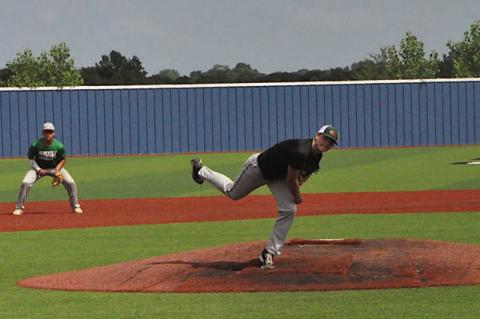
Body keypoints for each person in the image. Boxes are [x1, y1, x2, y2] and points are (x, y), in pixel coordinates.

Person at [190, 124, 339, 269]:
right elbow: (292, 180)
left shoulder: (317, 156)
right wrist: (297, 197)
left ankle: (269, 252)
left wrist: (295, 191)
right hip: (258, 169)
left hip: (278, 177)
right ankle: (200, 171)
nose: (327, 143)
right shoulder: (301, 150)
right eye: (325, 139)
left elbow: (301, 177)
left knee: (289, 209)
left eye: (331, 142)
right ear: (317, 136)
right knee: (232, 192)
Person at [12, 122, 83, 215]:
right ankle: (19, 208)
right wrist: (38, 169)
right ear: (43, 133)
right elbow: (31, 158)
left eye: (50, 132)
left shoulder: (59, 146)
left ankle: (75, 206)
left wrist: (57, 170)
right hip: (38, 168)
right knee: (25, 182)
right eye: (46, 132)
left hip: (54, 168)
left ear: (54, 133)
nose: (48, 134)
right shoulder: (35, 145)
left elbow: (63, 159)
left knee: (70, 183)